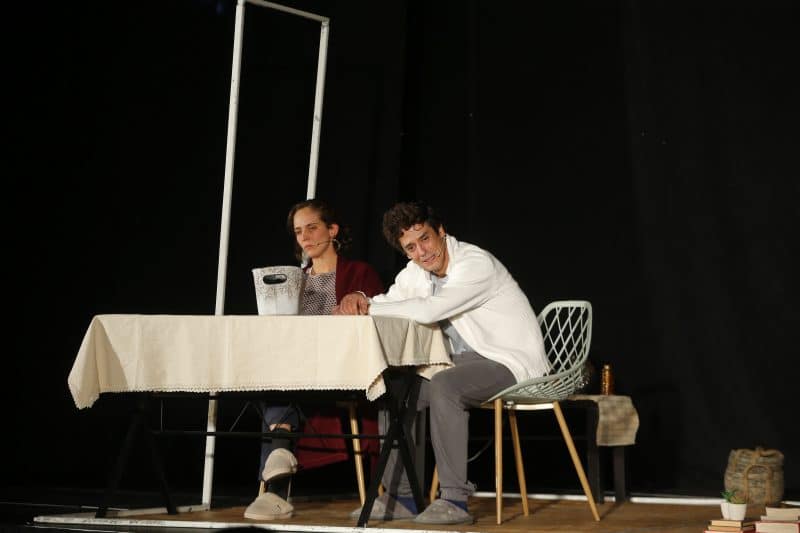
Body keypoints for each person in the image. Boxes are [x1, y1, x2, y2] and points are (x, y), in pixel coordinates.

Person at [337, 201, 549, 525]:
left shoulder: (475, 263)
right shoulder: (416, 271)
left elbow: (429, 310)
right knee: (390, 388)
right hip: (459, 362)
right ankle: (401, 496)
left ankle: (454, 500)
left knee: (445, 386)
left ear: (440, 231)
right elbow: (391, 300)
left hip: (509, 360)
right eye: (411, 247)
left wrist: (369, 307)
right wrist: (361, 299)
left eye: (425, 238)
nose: (421, 252)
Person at [244, 199, 384, 520]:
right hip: (298, 369)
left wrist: (360, 300)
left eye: (312, 228)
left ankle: (275, 485)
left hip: (342, 369)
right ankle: (277, 474)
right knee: (275, 378)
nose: (304, 237)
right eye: (298, 232)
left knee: (281, 384)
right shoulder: (293, 279)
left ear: (332, 230)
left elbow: (379, 316)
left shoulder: (359, 273)